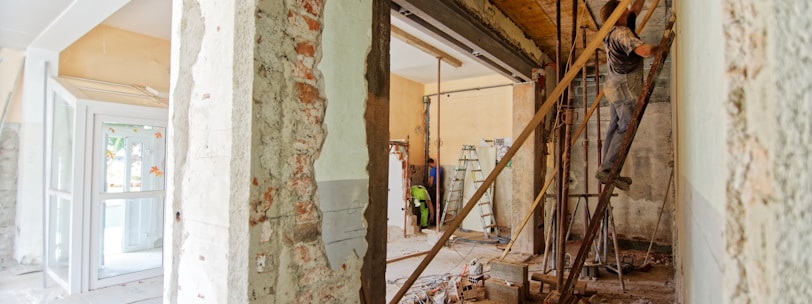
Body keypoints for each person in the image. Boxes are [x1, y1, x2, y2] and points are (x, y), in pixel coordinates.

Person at [596, 0, 664, 191]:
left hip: (614, 85)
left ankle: (607, 169)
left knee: (614, 126)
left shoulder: (613, 30)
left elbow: (634, 9)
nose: (627, 11)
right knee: (625, 128)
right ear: (617, 15)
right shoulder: (622, 33)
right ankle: (608, 170)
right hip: (625, 87)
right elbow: (643, 51)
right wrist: (660, 48)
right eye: (623, 10)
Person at [427, 158, 444, 224]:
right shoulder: (441, 169)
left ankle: (434, 221)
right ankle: (440, 220)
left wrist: (428, 186)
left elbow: (431, 181)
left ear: (430, 163)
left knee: (433, 204)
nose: (429, 166)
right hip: (440, 188)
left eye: (429, 165)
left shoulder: (433, 170)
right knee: (439, 204)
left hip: (434, 189)